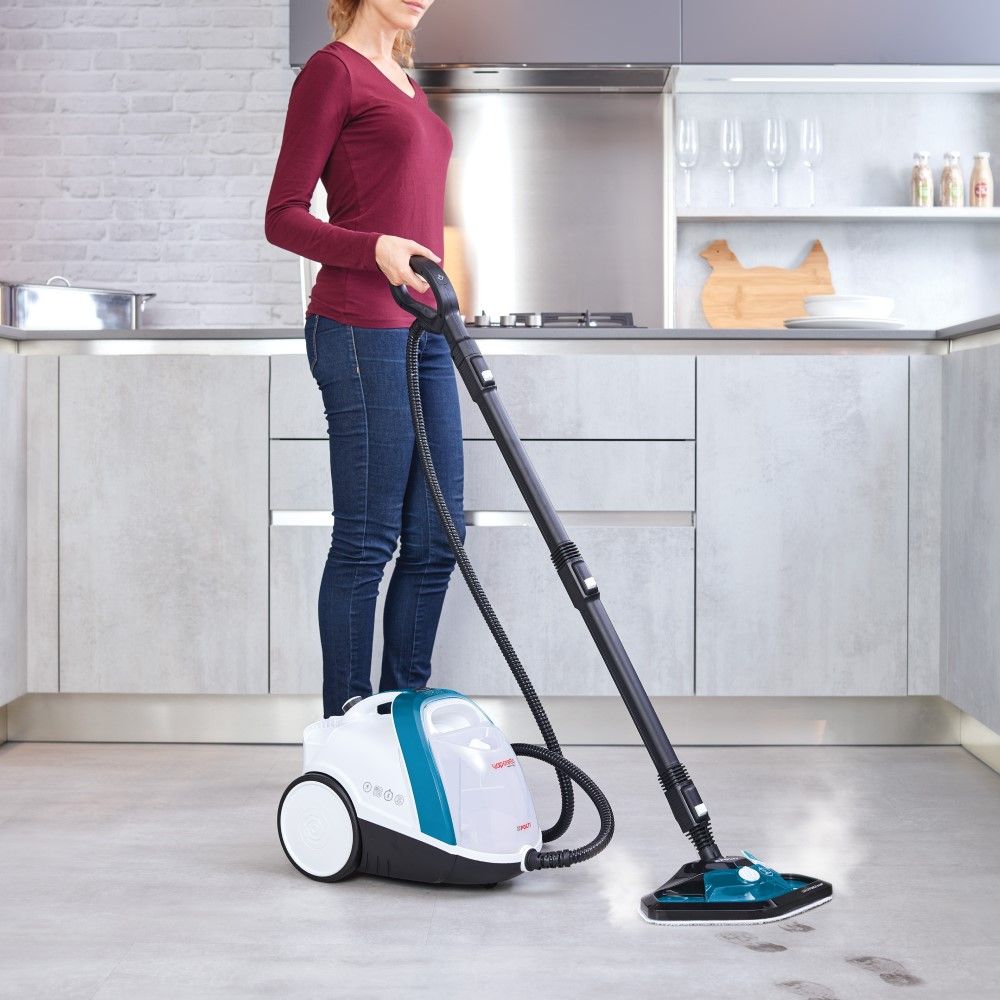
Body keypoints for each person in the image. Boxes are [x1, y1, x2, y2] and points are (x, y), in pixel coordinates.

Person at [264, 0, 463, 718]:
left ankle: (401, 721)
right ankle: (349, 734)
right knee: (368, 539)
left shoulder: (408, 81)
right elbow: (282, 214)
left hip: (425, 330)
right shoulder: (332, 72)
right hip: (357, 328)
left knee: (439, 537)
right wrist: (372, 248)